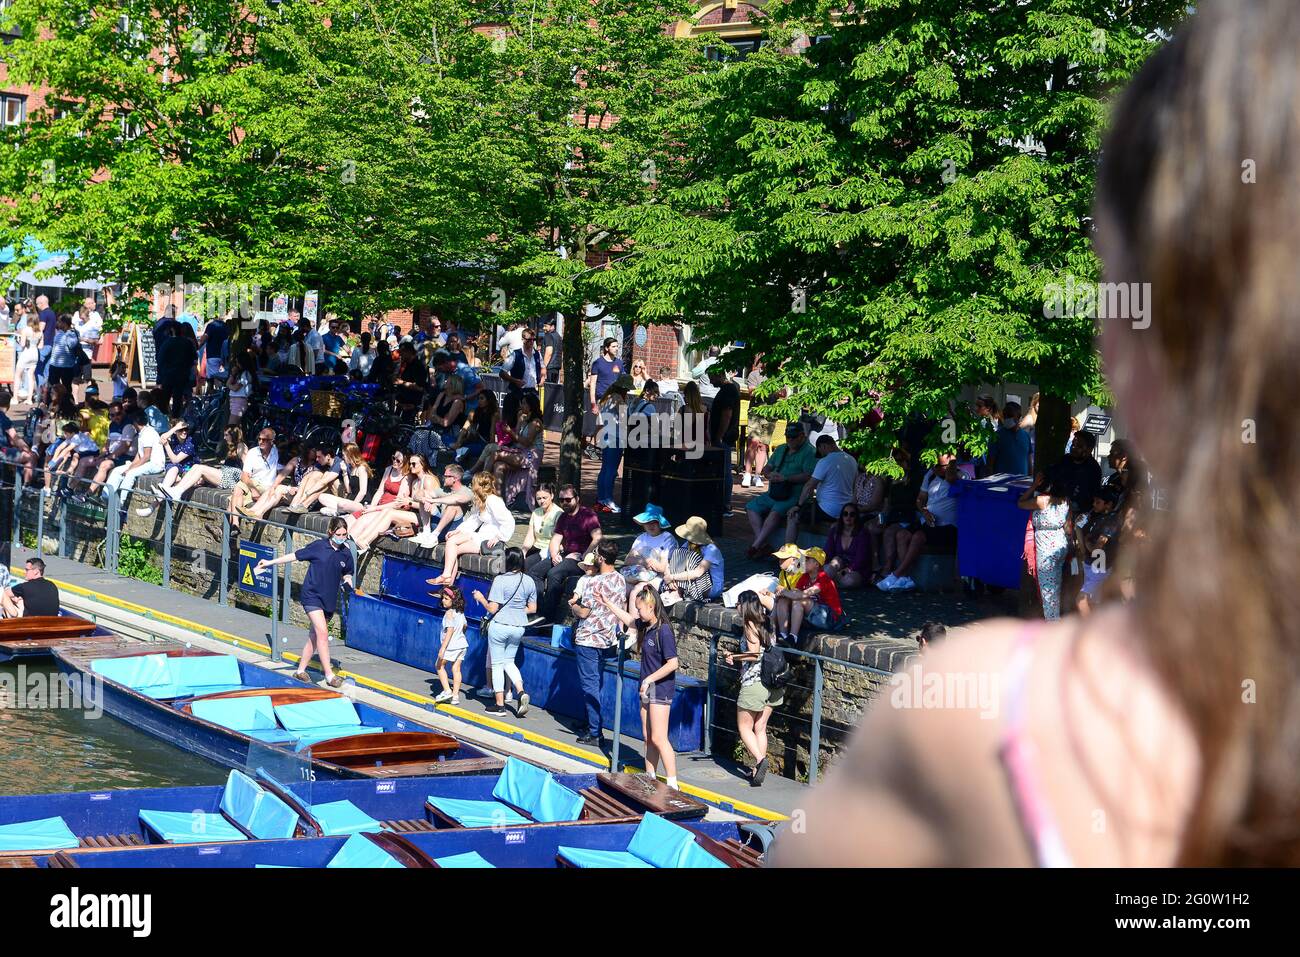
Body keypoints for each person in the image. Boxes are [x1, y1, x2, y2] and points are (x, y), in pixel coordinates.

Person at [255, 518, 355, 688]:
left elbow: (347, 573)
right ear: (330, 532)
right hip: (312, 596)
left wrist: (348, 581)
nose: (342, 537)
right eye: (338, 534)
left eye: (344, 534)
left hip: (328, 600)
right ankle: (329, 676)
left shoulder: (346, 553)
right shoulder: (318, 547)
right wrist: (270, 563)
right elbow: (294, 556)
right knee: (323, 633)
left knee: (315, 638)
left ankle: (300, 670)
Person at [600, 586, 680, 789]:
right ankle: (650, 775)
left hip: (659, 687)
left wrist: (649, 679)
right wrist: (607, 603)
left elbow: (673, 663)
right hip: (647, 687)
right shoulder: (646, 626)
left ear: (651, 606)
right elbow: (628, 620)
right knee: (648, 736)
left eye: (640, 609)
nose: (638, 613)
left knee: (659, 737)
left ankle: (672, 783)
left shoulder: (664, 631)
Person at [567, 540, 626, 745]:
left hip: (588, 638)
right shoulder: (620, 580)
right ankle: (590, 723)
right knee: (596, 683)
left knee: (590, 685)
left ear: (600, 558)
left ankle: (595, 732)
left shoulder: (593, 582)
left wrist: (573, 606)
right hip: (607, 639)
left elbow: (583, 611)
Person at [877, 454, 961, 592]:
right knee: (902, 535)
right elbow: (920, 500)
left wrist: (951, 467)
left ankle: (896, 574)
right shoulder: (930, 475)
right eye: (933, 466)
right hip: (928, 522)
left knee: (918, 537)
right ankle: (905, 578)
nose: (934, 469)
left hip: (948, 526)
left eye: (938, 466)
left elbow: (952, 479)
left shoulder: (961, 476)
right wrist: (924, 512)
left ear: (950, 465)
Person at [470, 548, 535, 717]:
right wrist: (517, 610)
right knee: (509, 662)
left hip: (500, 626)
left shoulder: (500, 580)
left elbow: (492, 608)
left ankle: (499, 705)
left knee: (497, 664)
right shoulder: (529, 581)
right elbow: (532, 608)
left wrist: (480, 598)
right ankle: (520, 692)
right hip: (519, 627)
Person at [727, 593, 782, 786]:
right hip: (774, 684)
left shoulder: (749, 625)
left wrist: (735, 657)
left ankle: (760, 760)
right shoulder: (767, 621)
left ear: (744, 605)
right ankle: (757, 770)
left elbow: (754, 654)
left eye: (737, 603)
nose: (736, 607)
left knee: (744, 727)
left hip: (755, 683)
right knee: (760, 728)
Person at [529, 484, 602, 619]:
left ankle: (548, 616)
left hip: (580, 558)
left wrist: (585, 555)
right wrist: (554, 554)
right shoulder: (563, 517)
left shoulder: (588, 515)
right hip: (566, 555)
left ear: (577, 498)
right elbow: (556, 539)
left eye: (568, 500)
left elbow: (597, 537)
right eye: (562, 500)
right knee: (534, 572)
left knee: (554, 574)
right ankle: (538, 610)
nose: (564, 503)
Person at [745, 423, 818, 557]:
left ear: (802, 436)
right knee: (751, 507)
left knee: (775, 512)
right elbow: (768, 467)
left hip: (794, 494)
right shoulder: (781, 449)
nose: (790, 440)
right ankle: (762, 543)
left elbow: (809, 476)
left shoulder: (810, 452)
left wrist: (786, 478)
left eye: (793, 437)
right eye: (788, 437)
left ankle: (756, 545)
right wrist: (769, 474)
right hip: (775, 492)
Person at [429, 472, 515, 584]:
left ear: (480, 486)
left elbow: (509, 521)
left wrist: (499, 537)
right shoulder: (483, 500)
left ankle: (448, 582)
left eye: (473, 483)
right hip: (481, 535)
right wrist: (458, 530)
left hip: (487, 541)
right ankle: (447, 578)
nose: (471, 485)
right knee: (452, 541)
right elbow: (475, 519)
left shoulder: (493, 500)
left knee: (454, 549)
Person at [1020, 475, 1071, 620]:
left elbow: (1020, 503)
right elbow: (1068, 527)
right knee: (1056, 585)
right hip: (1061, 545)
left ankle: (1052, 625)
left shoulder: (1042, 501)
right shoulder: (1065, 501)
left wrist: (1034, 486)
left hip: (1046, 549)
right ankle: (1056, 619)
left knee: (1047, 589)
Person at [790, 435, 859, 542]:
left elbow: (809, 486)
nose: (821, 455)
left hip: (828, 510)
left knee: (792, 516)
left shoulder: (825, 461)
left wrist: (798, 505)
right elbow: (855, 486)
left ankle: (788, 553)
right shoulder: (852, 460)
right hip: (846, 509)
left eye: (820, 452)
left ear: (823, 446)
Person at [772, 547, 843, 644]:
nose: (802, 561)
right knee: (783, 600)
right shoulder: (804, 577)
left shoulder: (823, 579)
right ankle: (783, 635)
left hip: (829, 619)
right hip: (812, 616)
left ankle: (793, 638)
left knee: (800, 600)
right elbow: (795, 592)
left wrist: (783, 591)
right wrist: (782, 594)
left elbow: (802, 594)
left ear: (816, 564)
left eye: (807, 559)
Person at [652, 516, 724, 602]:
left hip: (710, 588)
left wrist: (672, 577)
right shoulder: (688, 544)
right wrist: (670, 580)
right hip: (689, 582)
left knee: (692, 557)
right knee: (679, 552)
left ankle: (678, 592)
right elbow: (676, 560)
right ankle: (676, 590)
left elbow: (698, 573)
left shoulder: (711, 549)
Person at [162, 427, 246, 500]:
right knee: (196, 466)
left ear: (233, 435)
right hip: (225, 473)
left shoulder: (241, 445)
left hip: (232, 477)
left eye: (226, 435)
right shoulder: (230, 447)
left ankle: (178, 491)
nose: (224, 437)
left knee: (201, 468)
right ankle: (176, 490)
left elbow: (246, 466)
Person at [103, 411, 165, 506]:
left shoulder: (148, 433)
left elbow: (146, 456)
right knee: (117, 470)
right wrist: (130, 466)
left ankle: (120, 502)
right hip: (146, 462)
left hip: (155, 464)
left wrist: (130, 469)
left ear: (135, 423)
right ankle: (105, 496)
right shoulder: (141, 433)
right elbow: (139, 455)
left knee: (131, 474)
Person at [594, 375, 632, 513]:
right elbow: (624, 418)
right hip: (615, 436)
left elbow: (598, 420)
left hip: (605, 435)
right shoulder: (618, 398)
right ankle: (608, 500)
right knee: (611, 470)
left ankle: (601, 499)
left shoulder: (605, 399)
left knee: (605, 469)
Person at [706, 366, 741, 508]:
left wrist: (719, 436)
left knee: (725, 471)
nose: (710, 382)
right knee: (722, 469)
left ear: (719, 375)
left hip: (724, 437)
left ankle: (725, 504)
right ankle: (722, 502)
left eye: (712, 378)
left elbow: (727, 415)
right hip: (722, 436)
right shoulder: (726, 390)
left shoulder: (728, 390)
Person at [1046, 429, 1103, 514]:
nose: (1073, 447)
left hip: (1076, 513)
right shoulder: (1065, 460)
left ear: (1089, 449)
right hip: (1054, 506)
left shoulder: (1093, 469)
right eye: (1073, 444)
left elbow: (1088, 498)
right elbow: (1050, 477)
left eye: (1079, 446)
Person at [432, 587, 468, 704]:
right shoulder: (460, 613)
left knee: (438, 666)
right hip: (462, 645)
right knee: (456, 669)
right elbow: (465, 626)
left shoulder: (449, 613)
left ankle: (447, 691)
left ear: (454, 600)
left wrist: (443, 648)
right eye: (443, 598)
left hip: (451, 646)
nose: (443, 600)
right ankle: (455, 696)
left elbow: (450, 630)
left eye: (446, 599)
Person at [823, 503, 870, 590]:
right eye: (845, 514)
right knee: (831, 566)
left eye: (852, 514)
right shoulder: (835, 531)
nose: (848, 517)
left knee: (849, 581)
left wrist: (846, 570)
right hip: (839, 563)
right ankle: (829, 582)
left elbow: (861, 559)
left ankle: (830, 582)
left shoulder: (862, 533)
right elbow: (827, 552)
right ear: (842, 516)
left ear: (856, 517)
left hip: (855, 569)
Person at [986, 401, 1032, 476]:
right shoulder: (996, 436)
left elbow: (1029, 462)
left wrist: (1030, 481)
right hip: (1002, 484)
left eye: (1010, 415)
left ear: (1019, 417)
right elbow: (990, 464)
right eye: (1005, 415)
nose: (1007, 418)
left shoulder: (1026, 436)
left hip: (1021, 483)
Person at [521, 482, 561, 559]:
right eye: (539, 498)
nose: (542, 501)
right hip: (536, 548)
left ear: (552, 496)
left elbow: (559, 540)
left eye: (544, 498)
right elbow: (530, 536)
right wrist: (524, 551)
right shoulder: (535, 512)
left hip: (550, 550)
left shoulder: (558, 513)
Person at [586, 337, 623, 417]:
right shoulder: (598, 363)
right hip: (602, 399)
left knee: (615, 428)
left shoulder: (619, 363)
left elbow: (623, 382)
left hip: (616, 401)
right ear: (606, 348)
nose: (616, 349)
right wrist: (593, 403)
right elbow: (593, 384)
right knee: (601, 427)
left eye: (617, 346)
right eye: (613, 347)